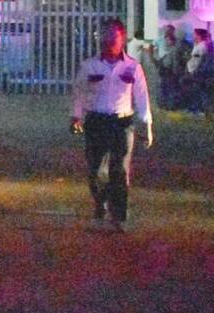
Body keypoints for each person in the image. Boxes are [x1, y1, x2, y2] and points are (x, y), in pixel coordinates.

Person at [70, 18, 153, 233]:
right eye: (105, 35)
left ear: (122, 38)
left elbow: (142, 97)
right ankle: (101, 202)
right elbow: (79, 91)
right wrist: (76, 116)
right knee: (95, 170)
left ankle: (119, 215)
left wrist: (147, 125)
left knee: (120, 170)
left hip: (122, 123)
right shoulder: (89, 66)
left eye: (113, 36)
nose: (109, 40)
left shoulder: (132, 67)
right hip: (96, 121)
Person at [144, 24, 189, 110]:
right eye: (166, 30)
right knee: (163, 84)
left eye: (170, 30)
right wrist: (152, 59)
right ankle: (162, 103)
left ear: (173, 31)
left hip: (174, 66)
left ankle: (171, 104)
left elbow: (183, 52)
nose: (167, 32)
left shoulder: (177, 41)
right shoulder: (160, 39)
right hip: (163, 65)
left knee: (172, 85)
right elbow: (151, 46)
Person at [183, 28, 214, 115]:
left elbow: (199, 60)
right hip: (192, 70)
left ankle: (198, 110)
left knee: (197, 90)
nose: (193, 36)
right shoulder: (197, 45)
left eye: (194, 34)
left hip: (196, 71)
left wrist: (195, 70)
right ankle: (193, 108)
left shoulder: (202, 46)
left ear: (199, 36)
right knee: (193, 90)